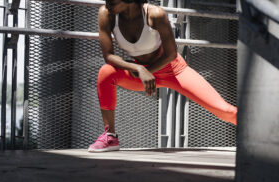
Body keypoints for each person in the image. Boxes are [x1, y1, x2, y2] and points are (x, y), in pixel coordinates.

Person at [87, 0, 237, 152]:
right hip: (142, 72)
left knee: (225, 111)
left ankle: (259, 134)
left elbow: (171, 54)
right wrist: (139, 69)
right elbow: (109, 56)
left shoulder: (155, 14)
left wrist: (147, 71)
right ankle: (110, 136)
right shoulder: (106, 14)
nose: (107, 4)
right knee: (106, 72)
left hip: (174, 70)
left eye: (112, 1)